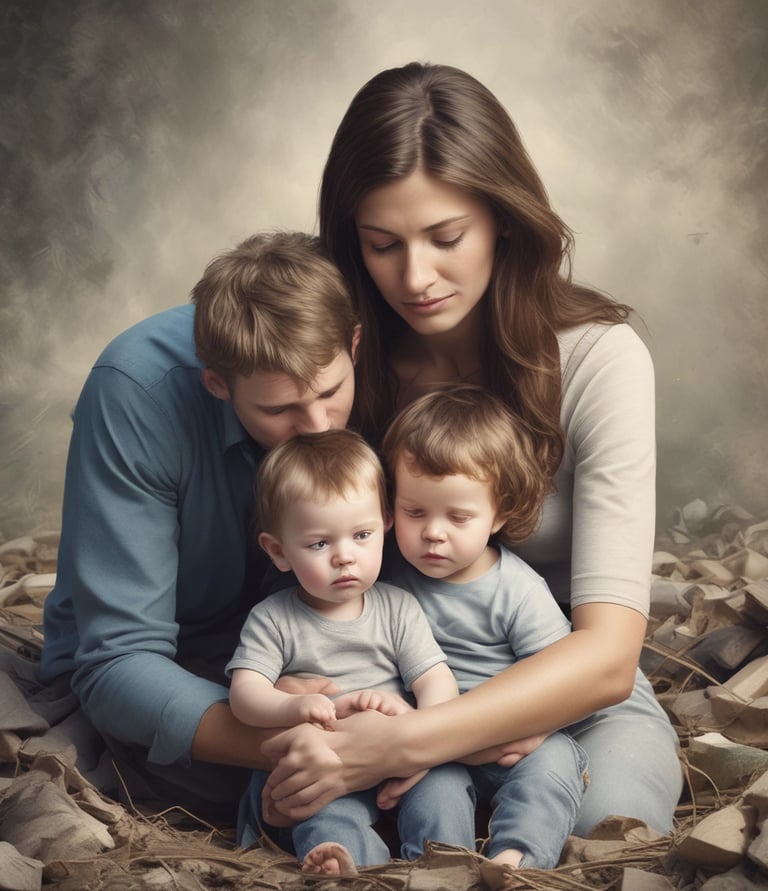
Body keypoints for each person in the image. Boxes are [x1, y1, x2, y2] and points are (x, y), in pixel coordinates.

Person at [261, 62, 683, 836]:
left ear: (505, 219)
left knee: (608, 827)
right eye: (382, 244)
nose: (415, 277)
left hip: (558, 685)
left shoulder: (600, 358)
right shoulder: (343, 358)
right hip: (377, 676)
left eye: (446, 237)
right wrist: (318, 698)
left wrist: (415, 740)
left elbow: (609, 655)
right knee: (331, 826)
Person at [39, 231, 361, 820]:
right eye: (278, 410)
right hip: (165, 667)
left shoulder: (359, 346)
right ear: (217, 383)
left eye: (332, 392)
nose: (319, 429)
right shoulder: (134, 391)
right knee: (283, 798)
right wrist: (283, 741)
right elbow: (118, 662)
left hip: (305, 651)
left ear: (356, 347)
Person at [228, 428, 475, 874]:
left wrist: (423, 736)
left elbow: (436, 679)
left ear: (384, 521)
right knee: (321, 811)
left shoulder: (397, 607)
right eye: (320, 543)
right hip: (327, 763)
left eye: (361, 535)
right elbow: (245, 695)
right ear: (278, 551)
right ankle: (347, 865)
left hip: (401, 752)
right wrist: (295, 706)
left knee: (446, 786)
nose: (345, 556)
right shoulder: (273, 619)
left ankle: (447, 869)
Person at [379, 384, 589, 869]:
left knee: (553, 765)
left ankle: (517, 859)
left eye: (458, 516)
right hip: (432, 747)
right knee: (433, 792)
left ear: (500, 513)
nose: (434, 531)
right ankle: (441, 867)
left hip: (511, 739)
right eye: (415, 512)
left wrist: (538, 730)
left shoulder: (515, 588)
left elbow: (565, 679)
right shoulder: (388, 582)